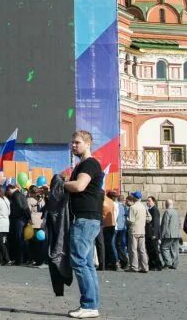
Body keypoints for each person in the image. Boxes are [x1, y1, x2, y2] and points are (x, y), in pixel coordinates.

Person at [62, 130, 104, 319]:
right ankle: (92, 305)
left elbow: (79, 186)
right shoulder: (85, 164)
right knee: (86, 263)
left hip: (85, 219)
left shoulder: (89, 164)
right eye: (72, 143)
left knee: (79, 261)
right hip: (89, 218)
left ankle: (88, 304)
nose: (73, 145)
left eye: (77, 142)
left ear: (88, 144)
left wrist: (62, 184)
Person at [7, 182, 30, 265]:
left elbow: (20, 207)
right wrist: (28, 218)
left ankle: (19, 260)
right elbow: (25, 207)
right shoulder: (21, 195)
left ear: (10, 189)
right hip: (23, 219)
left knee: (18, 239)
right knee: (22, 239)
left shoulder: (15, 196)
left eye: (8, 191)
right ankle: (24, 258)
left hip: (18, 220)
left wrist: (13, 215)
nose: (8, 193)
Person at [126, 193, 148, 273]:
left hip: (134, 230)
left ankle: (134, 267)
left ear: (134, 198)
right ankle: (145, 267)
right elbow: (149, 218)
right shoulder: (143, 207)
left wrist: (126, 220)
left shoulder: (132, 207)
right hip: (142, 230)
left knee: (133, 249)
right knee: (142, 250)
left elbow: (130, 220)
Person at [160, 199, 181, 269]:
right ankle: (175, 264)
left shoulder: (167, 212)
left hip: (169, 234)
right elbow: (179, 223)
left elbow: (165, 224)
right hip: (176, 234)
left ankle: (168, 262)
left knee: (164, 248)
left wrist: (162, 234)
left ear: (166, 204)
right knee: (175, 249)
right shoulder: (176, 212)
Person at [145, 196, 162, 270]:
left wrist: (154, 234)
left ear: (153, 202)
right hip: (149, 233)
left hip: (152, 233)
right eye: (147, 201)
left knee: (154, 250)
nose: (147, 202)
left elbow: (156, 222)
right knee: (150, 250)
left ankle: (157, 265)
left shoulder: (154, 209)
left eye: (149, 201)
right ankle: (152, 265)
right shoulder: (150, 209)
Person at [101, 191, 117, 271]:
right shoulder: (110, 201)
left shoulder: (103, 201)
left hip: (106, 225)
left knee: (107, 245)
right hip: (112, 224)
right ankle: (112, 263)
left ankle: (110, 263)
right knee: (110, 245)